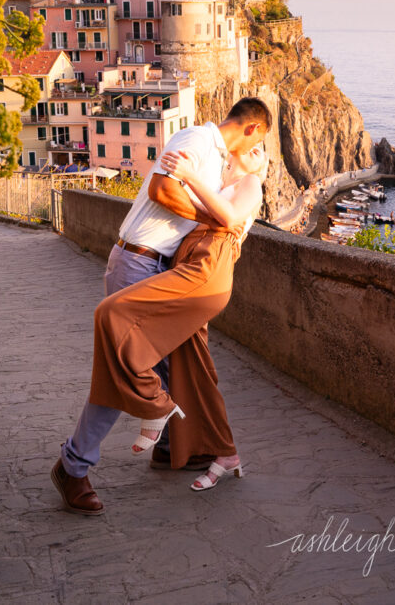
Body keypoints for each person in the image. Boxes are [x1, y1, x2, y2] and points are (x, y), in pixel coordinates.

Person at [50, 97, 272, 515]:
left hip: (164, 266)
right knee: (126, 364)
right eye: (261, 143)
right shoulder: (198, 141)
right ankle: (73, 466)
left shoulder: (220, 164)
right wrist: (215, 220)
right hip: (140, 258)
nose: (259, 152)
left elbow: (230, 205)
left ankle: (171, 447)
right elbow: (162, 188)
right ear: (253, 130)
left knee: (180, 365)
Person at [89, 141, 268, 492]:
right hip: (189, 263)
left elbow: (228, 219)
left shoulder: (250, 183)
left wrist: (186, 175)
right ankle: (225, 453)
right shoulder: (221, 184)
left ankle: (154, 404)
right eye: (253, 146)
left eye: (261, 149)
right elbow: (192, 208)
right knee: (195, 372)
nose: (252, 150)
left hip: (206, 269)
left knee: (113, 312)